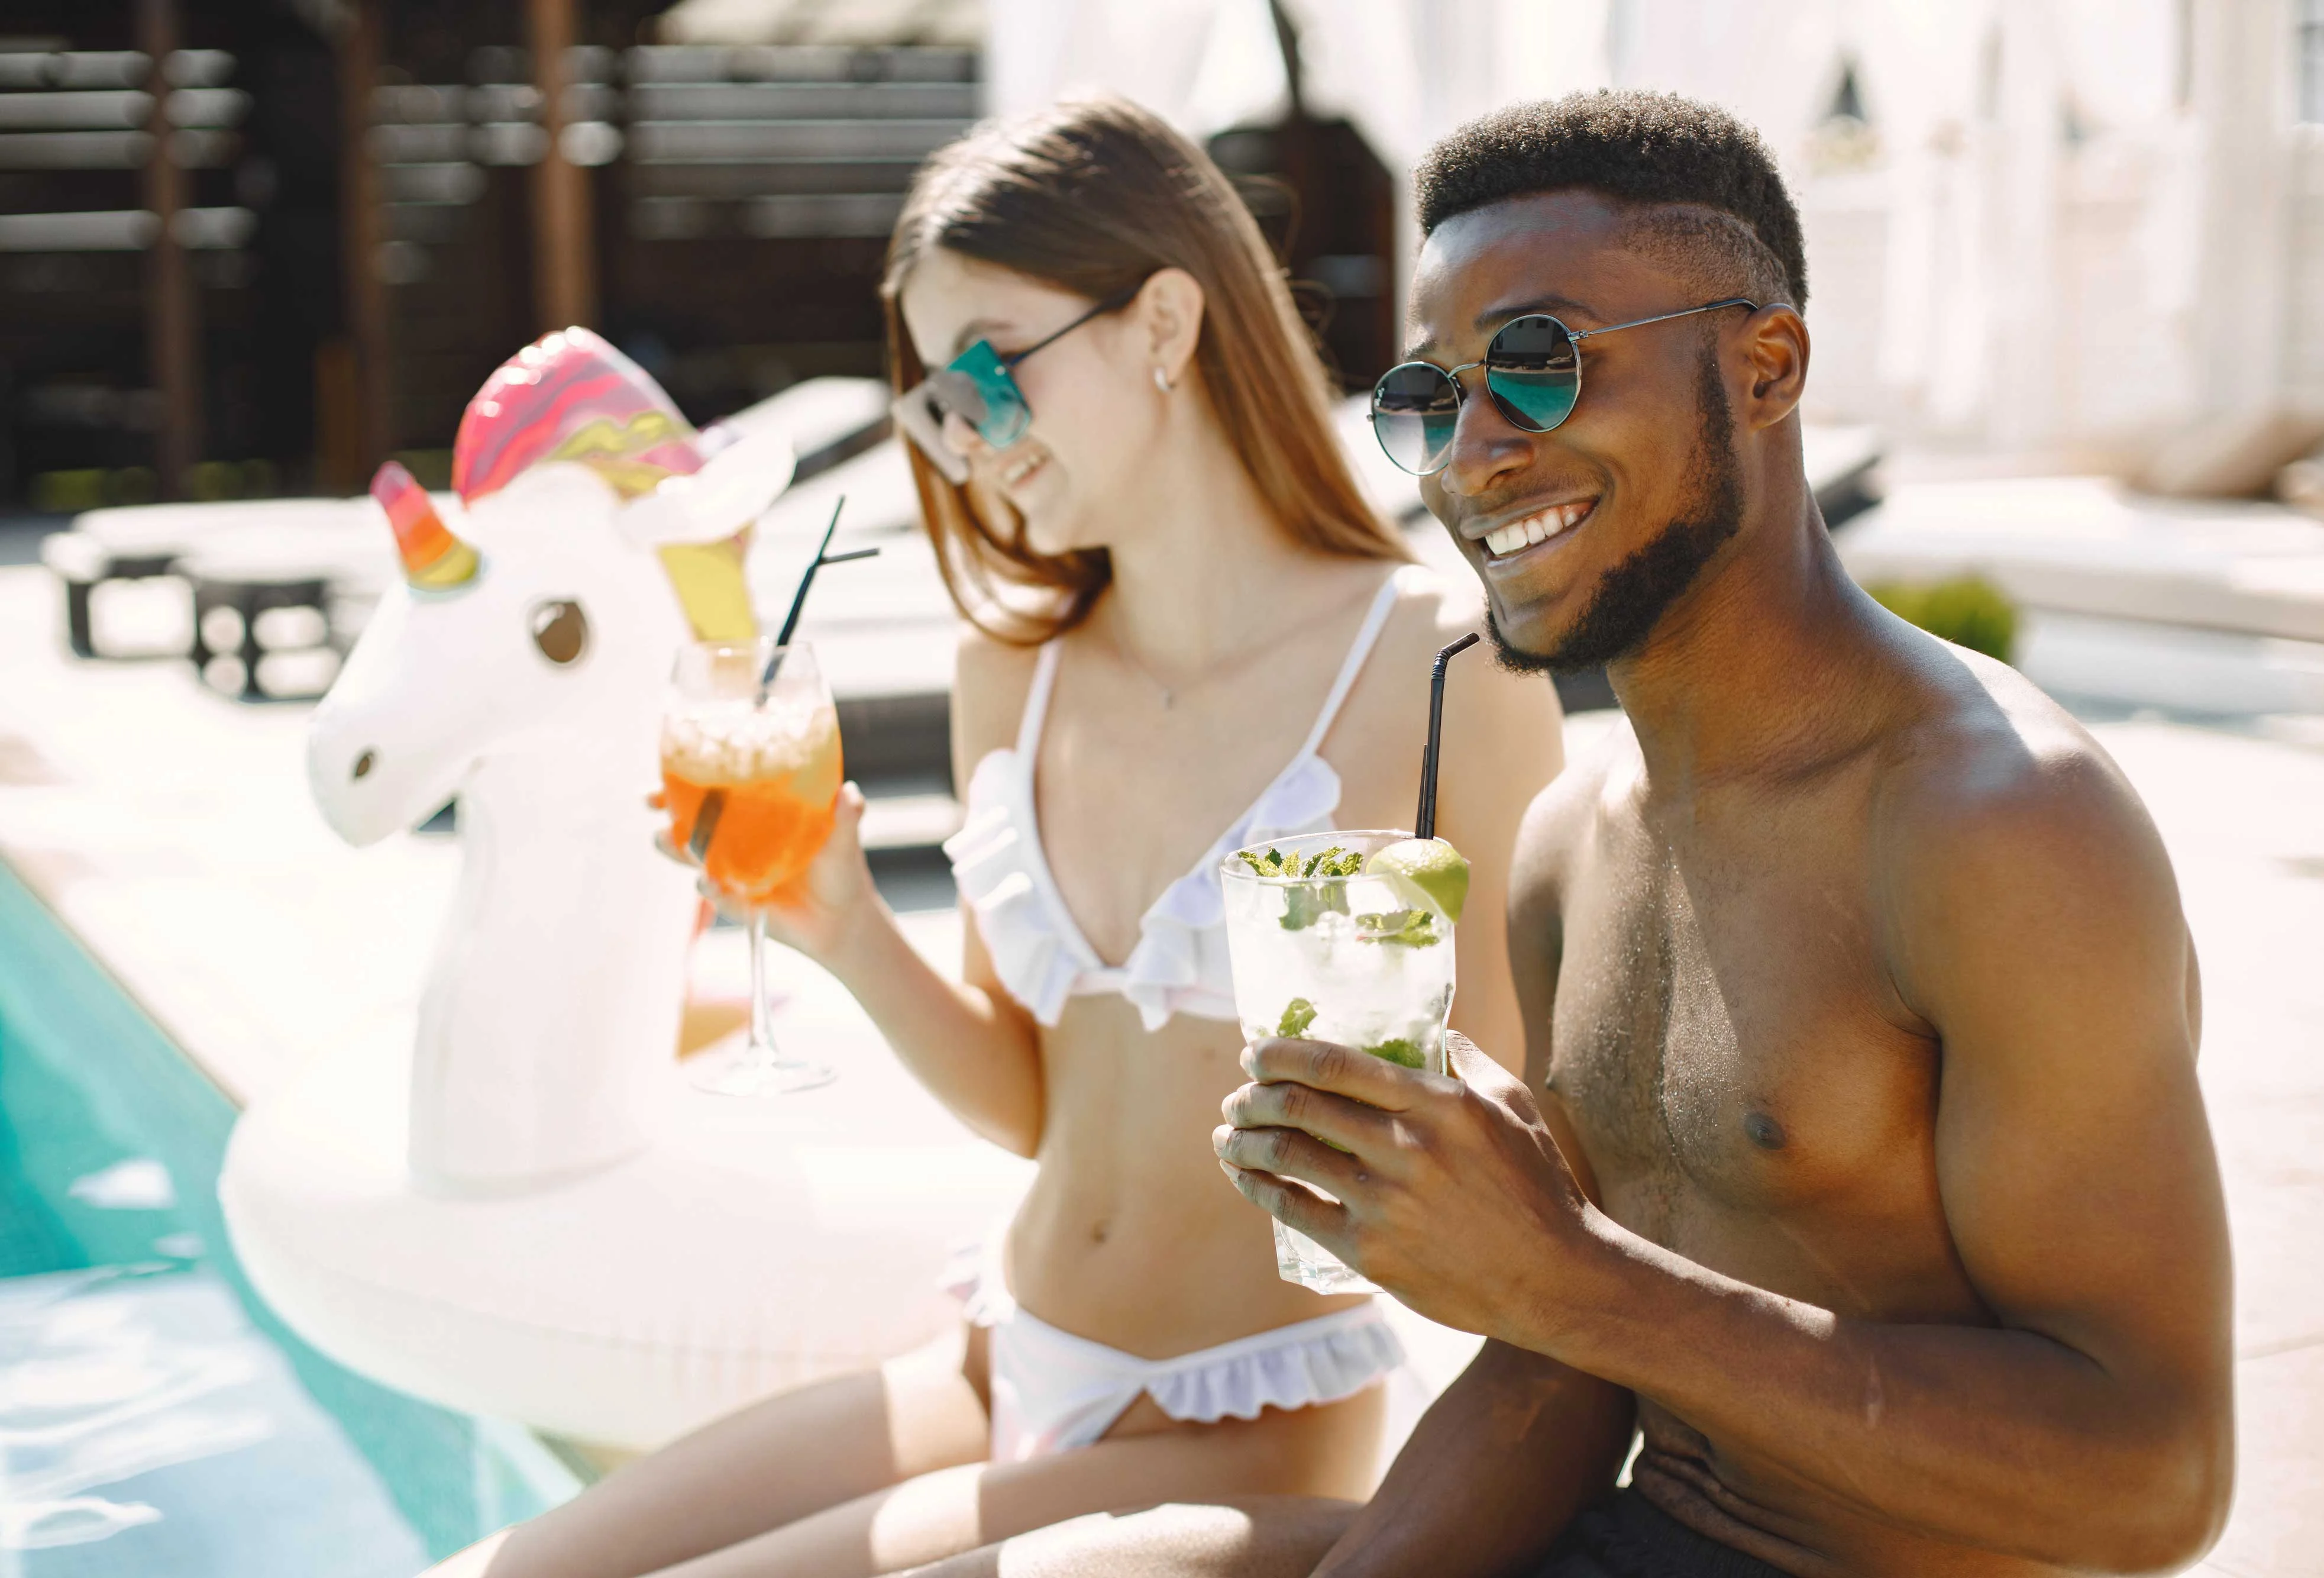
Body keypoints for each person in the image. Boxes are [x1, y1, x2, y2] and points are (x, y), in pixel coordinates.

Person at [887, 88, 2240, 1578]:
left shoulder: (1996, 824)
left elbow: (2156, 1481)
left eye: (1536, 366)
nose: (1470, 454)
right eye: (1428, 398)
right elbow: (1554, 1368)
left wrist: (1571, 1279)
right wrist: (1513, 1280)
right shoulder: (1563, 842)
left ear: (1765, 366)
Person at [446, 95, 1565, 1578]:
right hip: (994, 1359)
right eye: (934, 400)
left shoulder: (1439, 672)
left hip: (1242, 1424)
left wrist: (1392, 1068)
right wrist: (838, 921)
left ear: (1164, 320)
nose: (965, 440)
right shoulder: (1012, 674)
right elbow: (1041, 1104)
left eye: (985, 370)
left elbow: (1524, 1163)